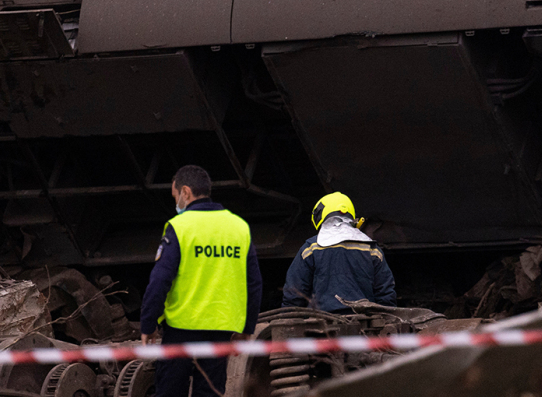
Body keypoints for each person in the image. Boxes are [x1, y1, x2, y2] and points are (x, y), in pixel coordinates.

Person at [141, 165, 263, 397]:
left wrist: (148, 324)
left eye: (175, 196)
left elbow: (160, 280)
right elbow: (254, 283)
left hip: (181, 328)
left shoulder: (180, 227)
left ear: (186, 192)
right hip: (221, 329)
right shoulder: (239, 227)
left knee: (170, 392)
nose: (176, 202)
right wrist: (247, 328)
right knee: (209, 393)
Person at [282, 192, 396, 313]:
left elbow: (294, 293)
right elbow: (386, 294)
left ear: (320, 215)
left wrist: (288, 318)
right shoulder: (372, 248)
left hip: (322, 322)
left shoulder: (311, 248)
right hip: (363, 321)